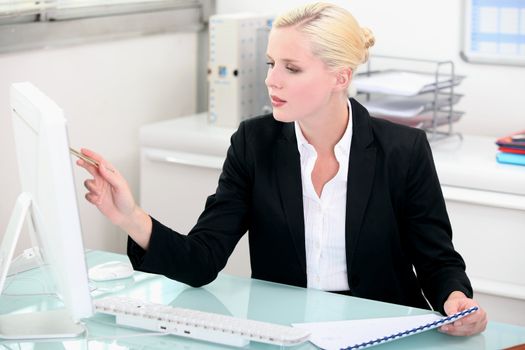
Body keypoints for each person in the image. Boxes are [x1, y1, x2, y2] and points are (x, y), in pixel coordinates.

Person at [77, 2, 487, 336]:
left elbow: (437, 262)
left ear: (339, 77)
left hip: (383, 331)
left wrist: (455, 298)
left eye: (291, 68)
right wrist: (130, 217)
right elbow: (202, 260)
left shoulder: (403, 149)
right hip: (286, 331)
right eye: (272, 63)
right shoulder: (254, 144)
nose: (272, 79)